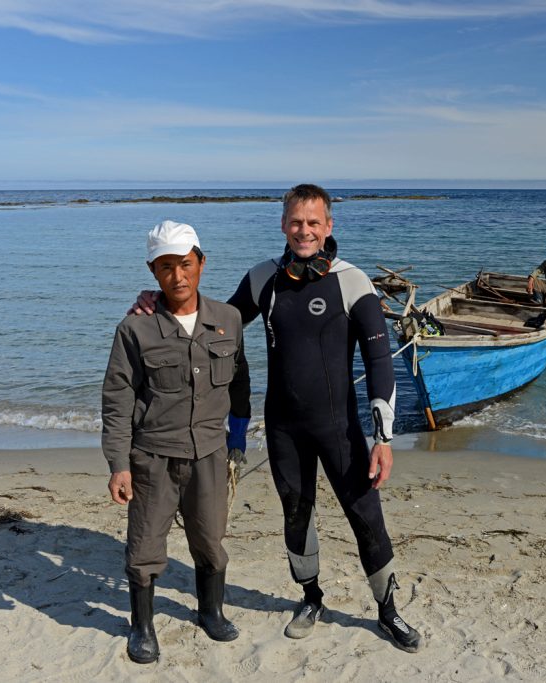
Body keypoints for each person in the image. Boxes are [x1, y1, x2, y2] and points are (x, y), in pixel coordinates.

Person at [132, 185, 422, 653]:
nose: (303, 231)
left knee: (365, 516)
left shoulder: (353, 282)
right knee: (296, 514)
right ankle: (311, 598)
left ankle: (388, 611)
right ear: (283, 224)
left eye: (313, 223)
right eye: (295, 222)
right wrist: (159, 298)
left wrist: (383, 437)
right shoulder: (264, 278)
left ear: (329, 227)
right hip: (284, 428)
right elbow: (214, 323)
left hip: (341, 430)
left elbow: (380, 363)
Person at [103, 220, 251, 664]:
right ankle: (142, 627)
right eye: (166, 267)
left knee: (210, 541)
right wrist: (119, 464)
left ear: (201, 263)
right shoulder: (135, 329)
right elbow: (116, 399)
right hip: (153, 458)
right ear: (153, 271)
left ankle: (211, 611)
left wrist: (238, 441)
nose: (177, 276)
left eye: (185, 264)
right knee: (145, 547)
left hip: (210, 453)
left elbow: (241, 383)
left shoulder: (228, 320)